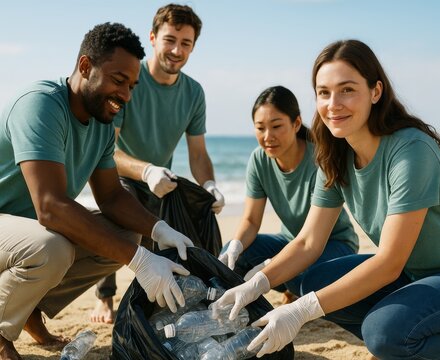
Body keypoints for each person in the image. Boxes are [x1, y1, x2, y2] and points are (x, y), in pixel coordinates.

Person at [212, 40, 440, 360]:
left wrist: (300, 312)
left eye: (347, 90)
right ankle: (414, 324)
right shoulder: (336, 155)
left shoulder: (410, 150)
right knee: (315, 280)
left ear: (375, 92)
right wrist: (257, 283)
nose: (333, 103)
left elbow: (389, 262)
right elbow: (308, 242)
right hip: (415, 275)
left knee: (384, 334)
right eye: (324, 92)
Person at [0, 23, 195, 360]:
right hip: (18, 233)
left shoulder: (101, 126)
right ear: (86, 67)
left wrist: (158, 230)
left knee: (124, 235)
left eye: (132, 86)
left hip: (21, 239)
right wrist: (139, 262)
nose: (126, 95)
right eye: (119, 81)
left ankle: (27, 307)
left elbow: (112, 198)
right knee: (52, 247)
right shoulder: (42, 105)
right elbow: (50, 207)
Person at [90, 3, 225, 324]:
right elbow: (106, 150)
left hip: (162, 180)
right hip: (122, 175)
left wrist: (210, 186)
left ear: (193, 47)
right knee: (120, 220)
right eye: (170, 40)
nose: (177, 50)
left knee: (178, 238)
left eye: (186, 43)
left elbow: (198, 154)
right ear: (152, 38)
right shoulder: (130, 80)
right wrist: (146, 170)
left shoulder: (194, 92)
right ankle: (104, 298)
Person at [218, 85, 358, 304]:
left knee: (303, 277)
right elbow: (251, 220)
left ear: (296, 124)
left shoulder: (322, 160)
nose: (268, 136)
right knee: (233, 256)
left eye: (276, 126)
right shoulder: (259, 160)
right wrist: (236, 244)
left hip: (333, 244)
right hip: (289, 241)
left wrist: (269, 267)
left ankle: (294, 289)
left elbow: (311, 242)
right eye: (260, 128)